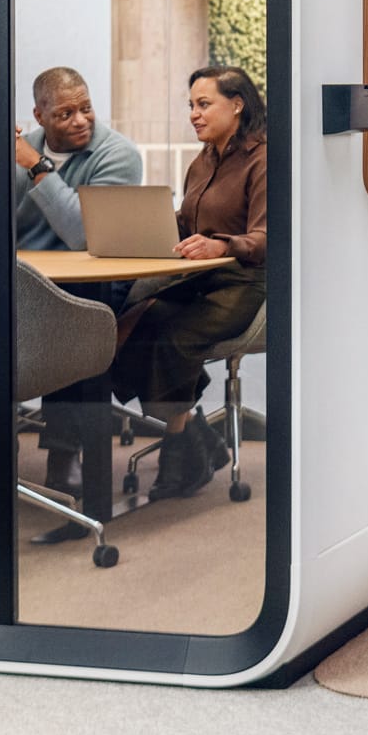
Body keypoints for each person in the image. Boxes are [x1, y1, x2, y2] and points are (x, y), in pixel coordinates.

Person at [0, 66, 143, 508]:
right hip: (21, 282)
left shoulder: (117, 155)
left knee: (68, 322)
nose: (80, 121)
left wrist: (37, 166)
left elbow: (82, 234)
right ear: (39, 115)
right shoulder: (17, 150)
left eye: (86, 108)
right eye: (66, 113)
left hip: (90, 286)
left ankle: (65, 457)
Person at [110, 65, 267, 500]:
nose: (194, 115)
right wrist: (146, 228)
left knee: (173, 339)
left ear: (237, 106)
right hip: (199, 277)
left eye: (204, 105)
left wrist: (222, 246)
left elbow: (266, 237)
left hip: (245, 282)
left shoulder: (263, 157)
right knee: (131, 324)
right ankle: (196, 436)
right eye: (191, 106)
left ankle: (182, 449)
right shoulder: (203, 161)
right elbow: (186, 222)